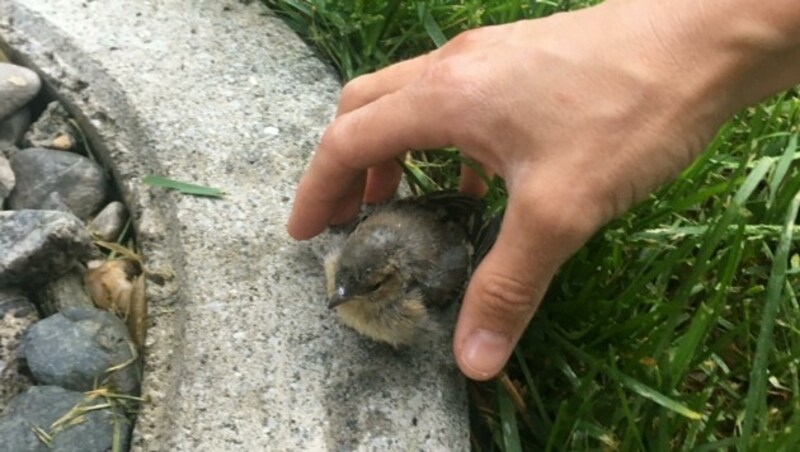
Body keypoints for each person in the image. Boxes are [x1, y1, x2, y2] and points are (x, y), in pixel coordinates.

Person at [288, 0, 800, 380]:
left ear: (397, 284)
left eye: (366, 288)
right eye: (349, 283)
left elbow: (456, 249)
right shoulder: (353, 271)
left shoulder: (419, 294)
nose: (341, 296)